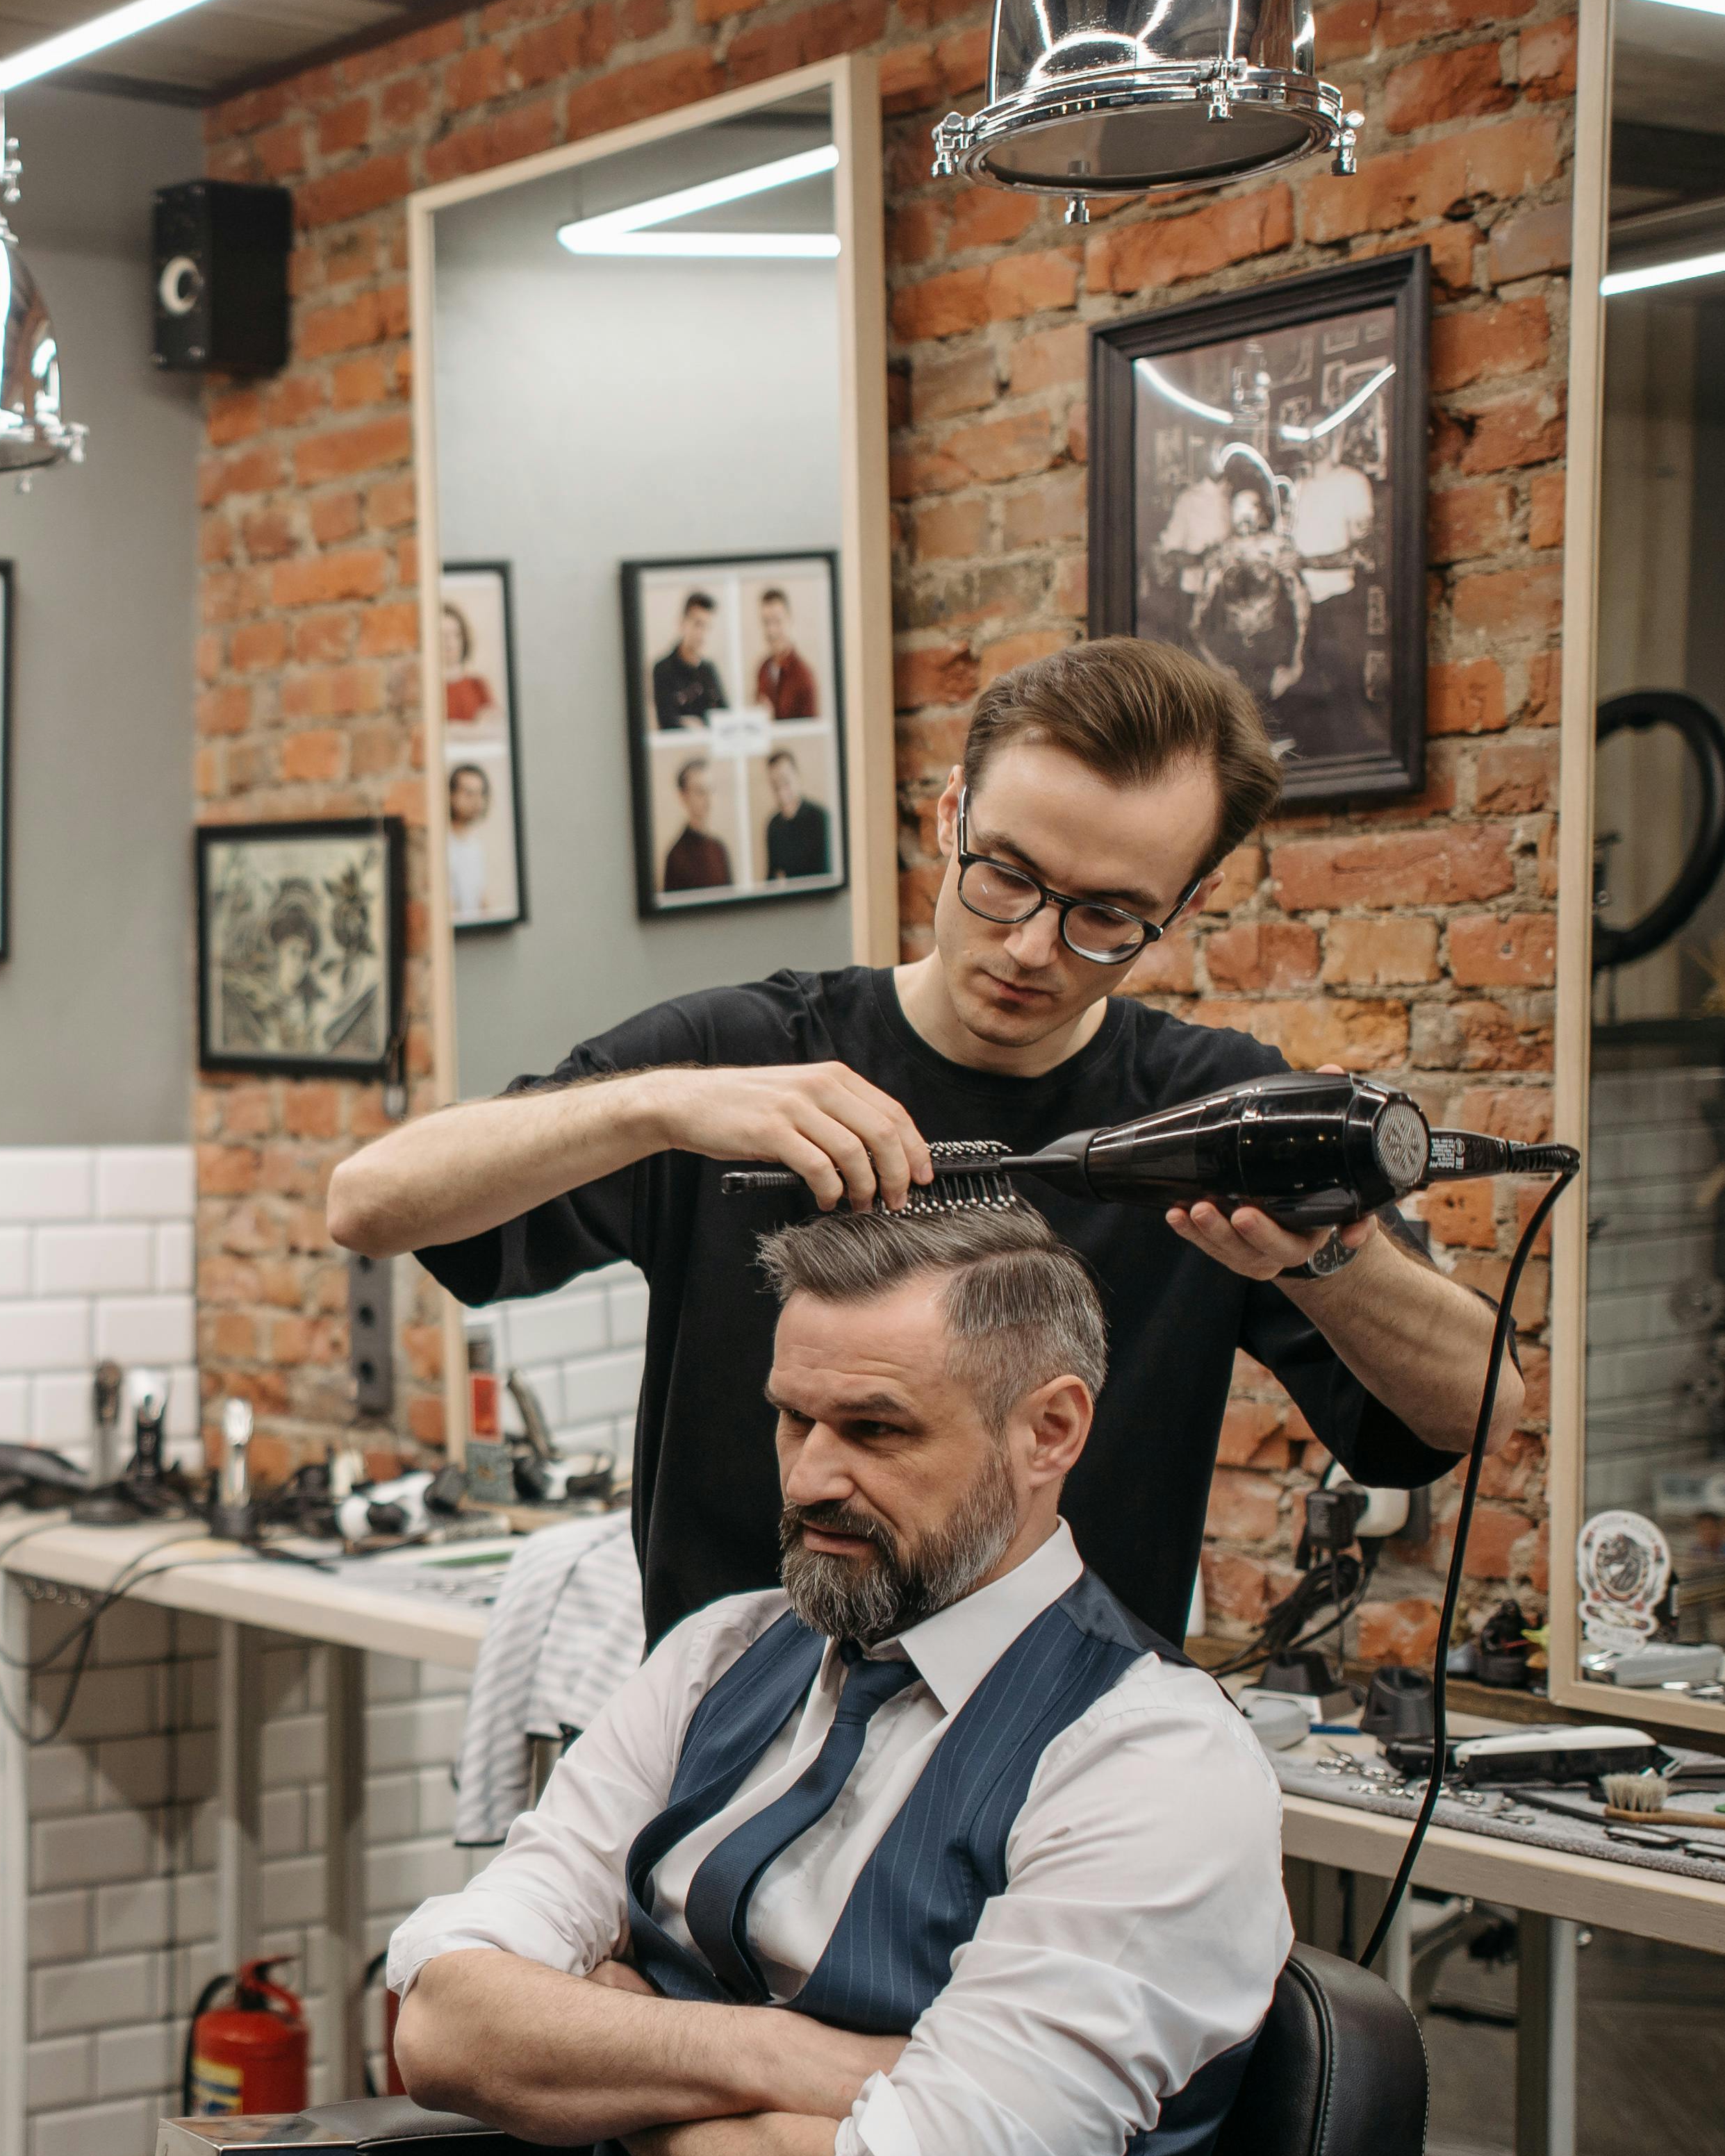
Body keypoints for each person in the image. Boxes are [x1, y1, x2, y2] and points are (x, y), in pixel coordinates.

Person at [0, 1204, 1289, 2156]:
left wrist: (597, 2042)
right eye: (791, 1418)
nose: (814, 1475)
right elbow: (442, 2025)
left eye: (875, 1429)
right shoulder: (723, 1657)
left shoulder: (1147, 1769)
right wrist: (778, 2061)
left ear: (1048, 1430)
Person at [331, 633, 1514, 1641]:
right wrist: (655, 1106)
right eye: (1004, 875)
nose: (1031, 948)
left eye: (1105, 914)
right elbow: (369, 1203)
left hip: (1054, 1778)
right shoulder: (741, 1056)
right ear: (949, 815)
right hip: (738, 1751)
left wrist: (1322, 1259)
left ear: (1185, 904)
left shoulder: (1211, 1113)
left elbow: (1475, 1407)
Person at [650, 590, 725, 728]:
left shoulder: (709, 669)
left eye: (707, 627)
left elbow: (725, 716)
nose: (702, 633)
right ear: (683, 623)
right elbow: (666, 720)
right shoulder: (663, 669)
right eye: (698, 624)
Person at [757, 747, 832, 882]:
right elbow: (771, 876)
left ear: (797, 776)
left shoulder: (820, 818)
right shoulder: (773, 825)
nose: (781, 790)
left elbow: (826, 871)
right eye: (775, 785)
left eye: (785, 781)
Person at [659, 759, 732, 893]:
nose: (708, 799)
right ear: (683, 796)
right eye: (700, 791)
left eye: (710, 790)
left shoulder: (719, 848)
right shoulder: (676, 856)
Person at [754, 585, 819, 720]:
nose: (771, 631)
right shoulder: (763, 669)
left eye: (777, 621)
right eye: (766, 622)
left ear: (789, 620)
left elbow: (811, 735)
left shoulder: (803, 676)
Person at [446, 761, 500, 922]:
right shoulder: (443, 847)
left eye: (480, 793)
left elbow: (480, 899)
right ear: (451, 796)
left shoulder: (475, 847)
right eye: (469, 793)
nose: (477, 801)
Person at [440, 589, 497, 725]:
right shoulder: (428, 689)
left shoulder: (477, 685)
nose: (451, 643)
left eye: (456, 635)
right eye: (443, 636)